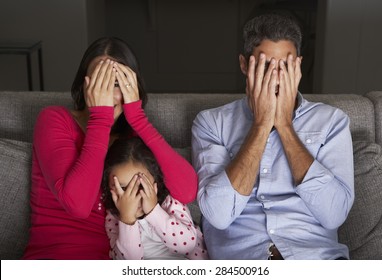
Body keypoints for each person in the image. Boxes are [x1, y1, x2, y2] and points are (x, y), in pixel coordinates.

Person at [191, 13, 354, 260]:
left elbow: (334, 214)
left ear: (298, 66)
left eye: (285, 66)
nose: (276, 78)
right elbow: (219, 215)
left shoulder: (332, 122)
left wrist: (285, 127)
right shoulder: (211, 123)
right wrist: (261, 125)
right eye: (266, 66)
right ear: (245, 65)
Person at [23, 37, 197, 260]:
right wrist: (100, 120)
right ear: (84, 84)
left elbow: (187, 191)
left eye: (117, 83)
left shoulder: (132, 141)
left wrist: (139, 119)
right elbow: (78, 205)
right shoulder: (54, 120)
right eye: (99, 80)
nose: (107, 93)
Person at [103, 137, 208, 260]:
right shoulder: (114, 217)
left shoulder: (170, 202)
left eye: (141, 185)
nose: (134, 197)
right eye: (123, 188)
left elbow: (187, 245)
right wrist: (127, 219)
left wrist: (153, 211)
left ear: (155, 179)